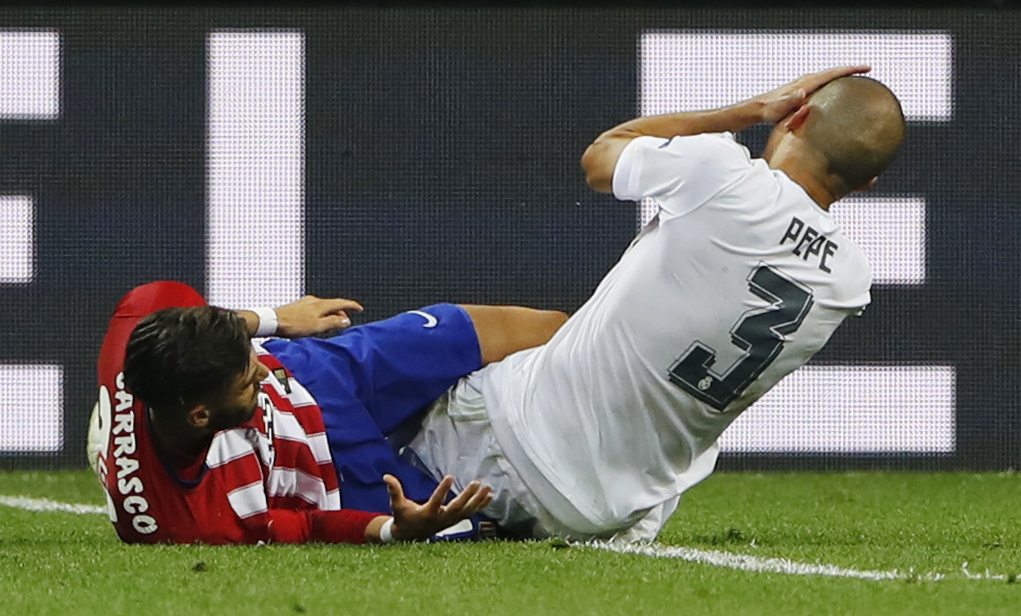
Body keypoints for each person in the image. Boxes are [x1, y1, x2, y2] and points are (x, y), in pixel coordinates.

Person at [400, 66, 907, 542]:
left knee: (441, 339)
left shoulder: (726, 175)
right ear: (867, 183)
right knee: (557, 332)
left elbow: (601, 156)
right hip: (607, 517)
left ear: (795, 116)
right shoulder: (849, 281)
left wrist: (750, 111)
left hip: (499, 445)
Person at [93, 280, 566, 544]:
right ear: (200, 417)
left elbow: (165, 302)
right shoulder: (196, 522)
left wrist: (276, 319)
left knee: (547, 330)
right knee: (503, 522)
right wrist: (392, 529)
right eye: (245, 379)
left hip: (316, 374)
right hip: (337, 479)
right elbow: (309, 525)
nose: (260, 373)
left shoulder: (137, 340)